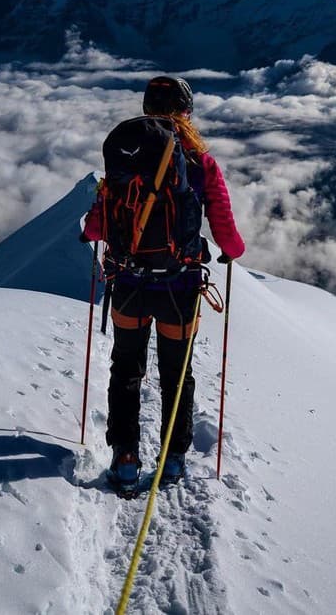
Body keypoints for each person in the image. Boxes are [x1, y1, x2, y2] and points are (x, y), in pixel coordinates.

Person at [81, 76, 245, 488]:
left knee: (126, 369)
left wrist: (92, 233)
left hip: (129, 285)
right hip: (180, 285)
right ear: (185, 112)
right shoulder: (198, 160)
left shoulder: (124, 152)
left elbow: (100, 219)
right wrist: (232, 250)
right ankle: (173, 459)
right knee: (177, 372)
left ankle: (125, 458)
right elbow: (222, 220)